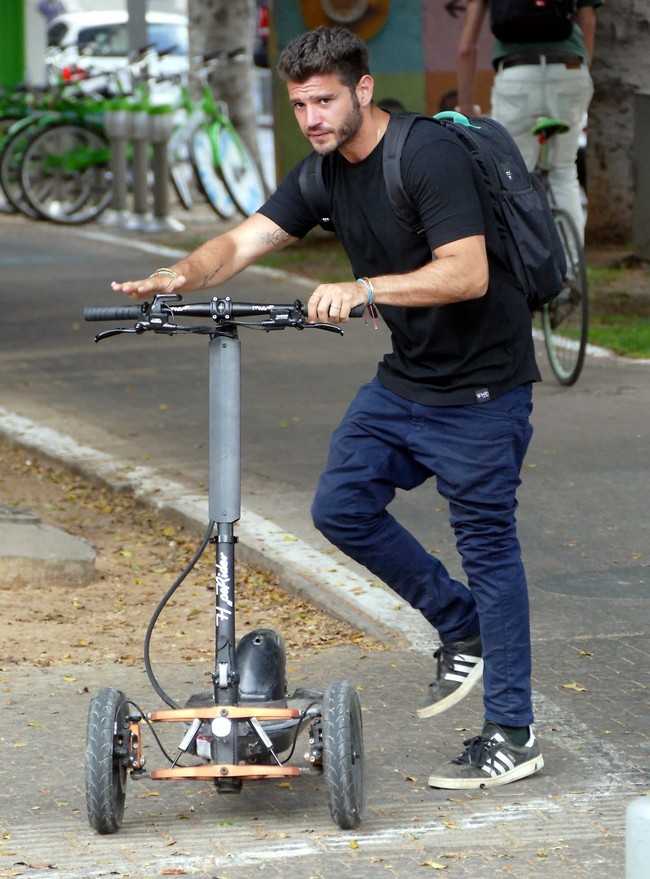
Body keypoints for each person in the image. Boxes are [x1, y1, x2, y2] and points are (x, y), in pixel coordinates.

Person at [112, 26, 544, 790]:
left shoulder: (426, 156)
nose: (311, 116)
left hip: (482, 387)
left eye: (324, 99)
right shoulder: (323, 174)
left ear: (363, 90)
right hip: (407, 380)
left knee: (488, 546)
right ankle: (459, 622)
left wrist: (367, 288)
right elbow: (242, 241)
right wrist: (180, 273)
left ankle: (512, 730)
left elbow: (468, 272)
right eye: (300, 103)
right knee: (341, 505)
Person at [457, 0, 603, 243]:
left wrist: (465, 108)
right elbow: (587, 20)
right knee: (564, 170)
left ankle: (526, 263)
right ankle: (572, 269)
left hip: (518, 76)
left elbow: (466, 48)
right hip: (570, 71)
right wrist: (581, 72)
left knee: (513, 176)